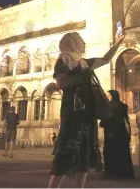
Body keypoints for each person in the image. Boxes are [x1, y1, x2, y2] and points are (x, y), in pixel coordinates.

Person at [47, 32, 125, 188]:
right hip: (73, 114)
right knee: (67, 153)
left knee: (84, 154)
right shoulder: (64, 60)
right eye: (80, 41)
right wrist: (80, 74)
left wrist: (117, 42)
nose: (83, 43)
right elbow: (61, 83)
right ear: (73, 43)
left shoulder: (83, 62)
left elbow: (105, 59)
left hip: (87, 115)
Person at [100, 90, 134, 179]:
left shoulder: (109, 106)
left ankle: (111, 172)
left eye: (108, 95)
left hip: (111, 133)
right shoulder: (123, 106)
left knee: (110, 152)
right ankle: (123, 172)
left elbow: (105, 120)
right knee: (122, 153)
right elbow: (125, 120)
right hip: (121, 133)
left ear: (111, 96)